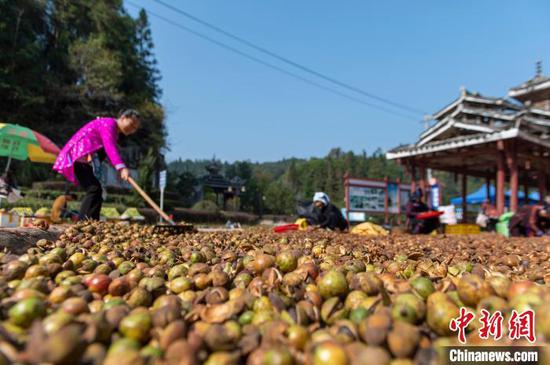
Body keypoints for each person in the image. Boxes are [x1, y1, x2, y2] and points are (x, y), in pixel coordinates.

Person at [53, 110, 140, 220]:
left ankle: (93, 223)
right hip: (79, 157)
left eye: (134, 128)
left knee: (98, 192)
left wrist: (117, 168)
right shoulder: (109, 124)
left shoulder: (113, 130)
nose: (131, 130)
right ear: (123, 118)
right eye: (131, 125)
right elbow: (110, 147)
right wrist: (121, 167)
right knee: (94, 189)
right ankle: (83, 223)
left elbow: (106, 151)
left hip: (86, 161)